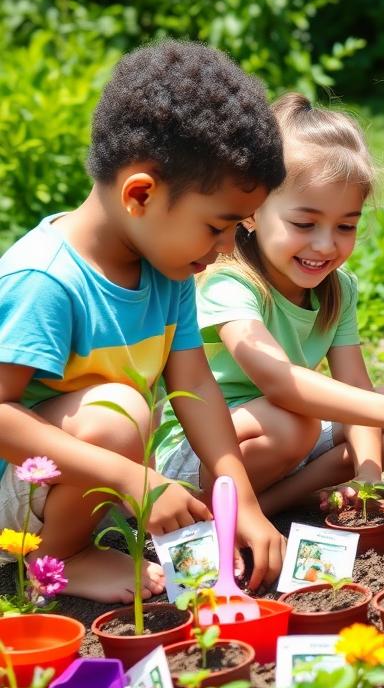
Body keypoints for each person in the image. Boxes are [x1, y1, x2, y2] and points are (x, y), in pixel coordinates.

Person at [0, 41, 288, 601]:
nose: (227, 247)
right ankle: (61, 560)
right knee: (121, 411)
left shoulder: (169, 271)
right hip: (17, 498)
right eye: (217, 226)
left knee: (127, 418)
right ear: (141, 194)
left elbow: (195, 385)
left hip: (94, 479)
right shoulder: (45, 281)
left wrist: (242, 499)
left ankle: (92, 531)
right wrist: (134, 480)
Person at [157, 93, 384, 515]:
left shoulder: (337, 288)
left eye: (345, 226)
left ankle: (273, 504)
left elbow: (355, 388)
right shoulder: (229, 281)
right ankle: (224, 505)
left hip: (291, 436)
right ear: (252, 212)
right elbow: (279, 381)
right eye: (304, 224)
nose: (325, 245)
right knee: (298, 423)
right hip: (204, 455)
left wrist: (369, 478)